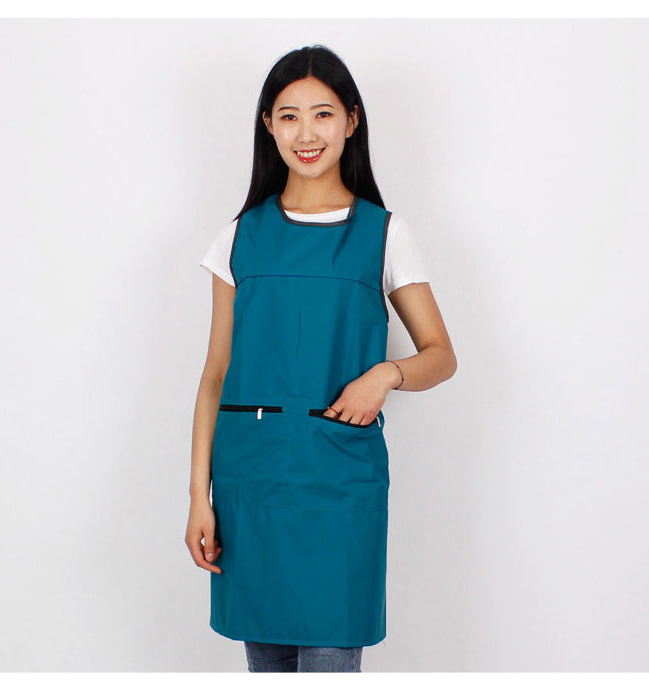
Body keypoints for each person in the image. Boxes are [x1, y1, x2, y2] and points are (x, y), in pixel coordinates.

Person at [186, 44, 457, 673]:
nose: (306, 134)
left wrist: (386, 375)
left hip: (339, 487)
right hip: (250, 486)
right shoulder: (239, 236)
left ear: (351, 121)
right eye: (288, 116)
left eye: (323, 114)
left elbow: (441, 355)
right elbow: (215, 374)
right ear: (268, 125)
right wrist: (199, 495)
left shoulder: (383, 233)